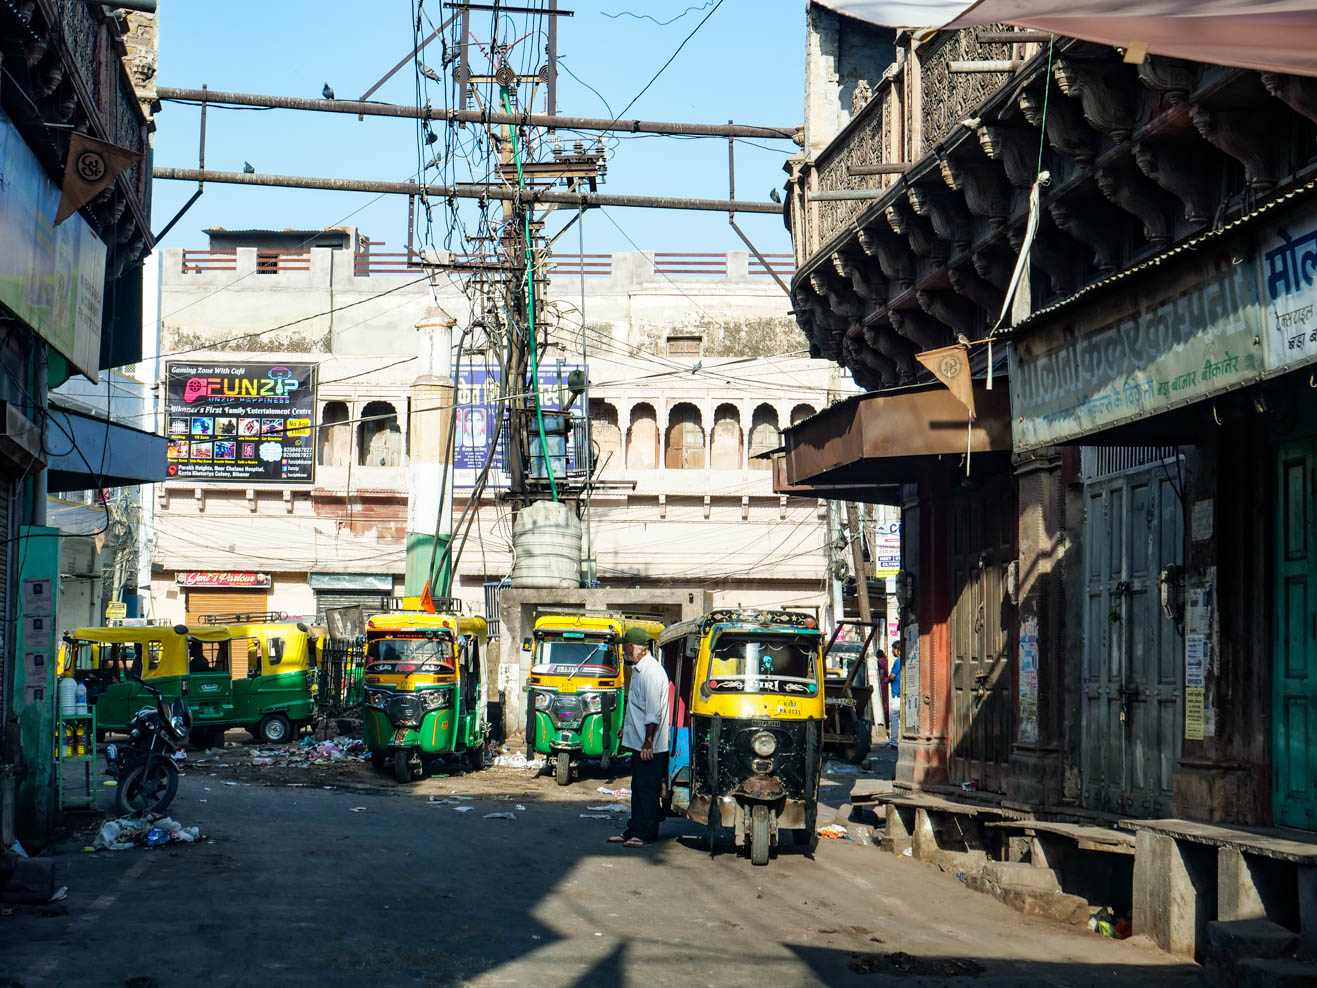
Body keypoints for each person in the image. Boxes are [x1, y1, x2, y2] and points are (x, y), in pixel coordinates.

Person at [608, 627, 670, 848]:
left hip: (650, 744)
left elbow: (653, 712)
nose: (624, 650)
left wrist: (648, 741)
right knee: (638, 788)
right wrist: (627, 728)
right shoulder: (638, 670)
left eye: (626, 646)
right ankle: (633, 829)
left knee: (647, 789)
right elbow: (637, 706)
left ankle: (644, 833)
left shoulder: (652, 673)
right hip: (638, 740)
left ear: (636, 648)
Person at [886, 641, 902, 748]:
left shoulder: (898, 661)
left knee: (894, 718)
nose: (892, 651)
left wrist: (886, 680)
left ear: (897, 649)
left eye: (893, 649)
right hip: (902, 694)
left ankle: (894, 742)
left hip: (897, 694)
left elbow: (892, 676)